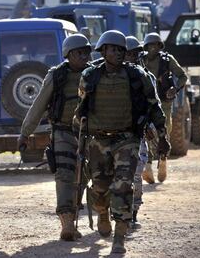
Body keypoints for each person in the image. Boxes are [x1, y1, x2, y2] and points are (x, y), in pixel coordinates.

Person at [75, 30, 170, 253]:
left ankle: (119, 237)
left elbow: (154, 106)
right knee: (99, 189)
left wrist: (162, 136)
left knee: (123, 185)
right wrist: (78, 140)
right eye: (113, 49)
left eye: (121, 50)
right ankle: (102, 213)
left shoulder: (137, 76)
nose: (118, 53)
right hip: (98, 141)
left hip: (127, 139)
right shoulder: (90, 76)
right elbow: (81, 111)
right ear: (103, 51)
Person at [17, 34, 92, 241]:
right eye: (79, 52)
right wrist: (25, 133)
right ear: (68, 54)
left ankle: (75, 214)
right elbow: (39, 105)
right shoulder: (56, 76)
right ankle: (67, 221)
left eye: (86, 51)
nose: (84, 56)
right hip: (63, 132)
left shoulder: (95, 73)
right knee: (65, 175)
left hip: (90, 134)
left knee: (83, 177)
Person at [140, 32, 188, 184]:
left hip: (164, 102)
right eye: (150, 45)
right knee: (145, 131)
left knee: (164, 131)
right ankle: (148, 165)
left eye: (156, 45)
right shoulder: (141, 60)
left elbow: (182, 76)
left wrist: (175, 88)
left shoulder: (167, 60)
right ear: (146, 47)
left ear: (160, 46)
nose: (153, 48)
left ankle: (162, 160)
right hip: (146, 102)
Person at [125, 36, 154, 229]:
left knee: (135, 174)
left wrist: (151, 127)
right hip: (111, 133)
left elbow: (153, 106)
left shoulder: (146, 77)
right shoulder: (105, 75)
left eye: (136, 53)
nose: (132, 57)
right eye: (129, 53)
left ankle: (133, 213)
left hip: (137, 133)